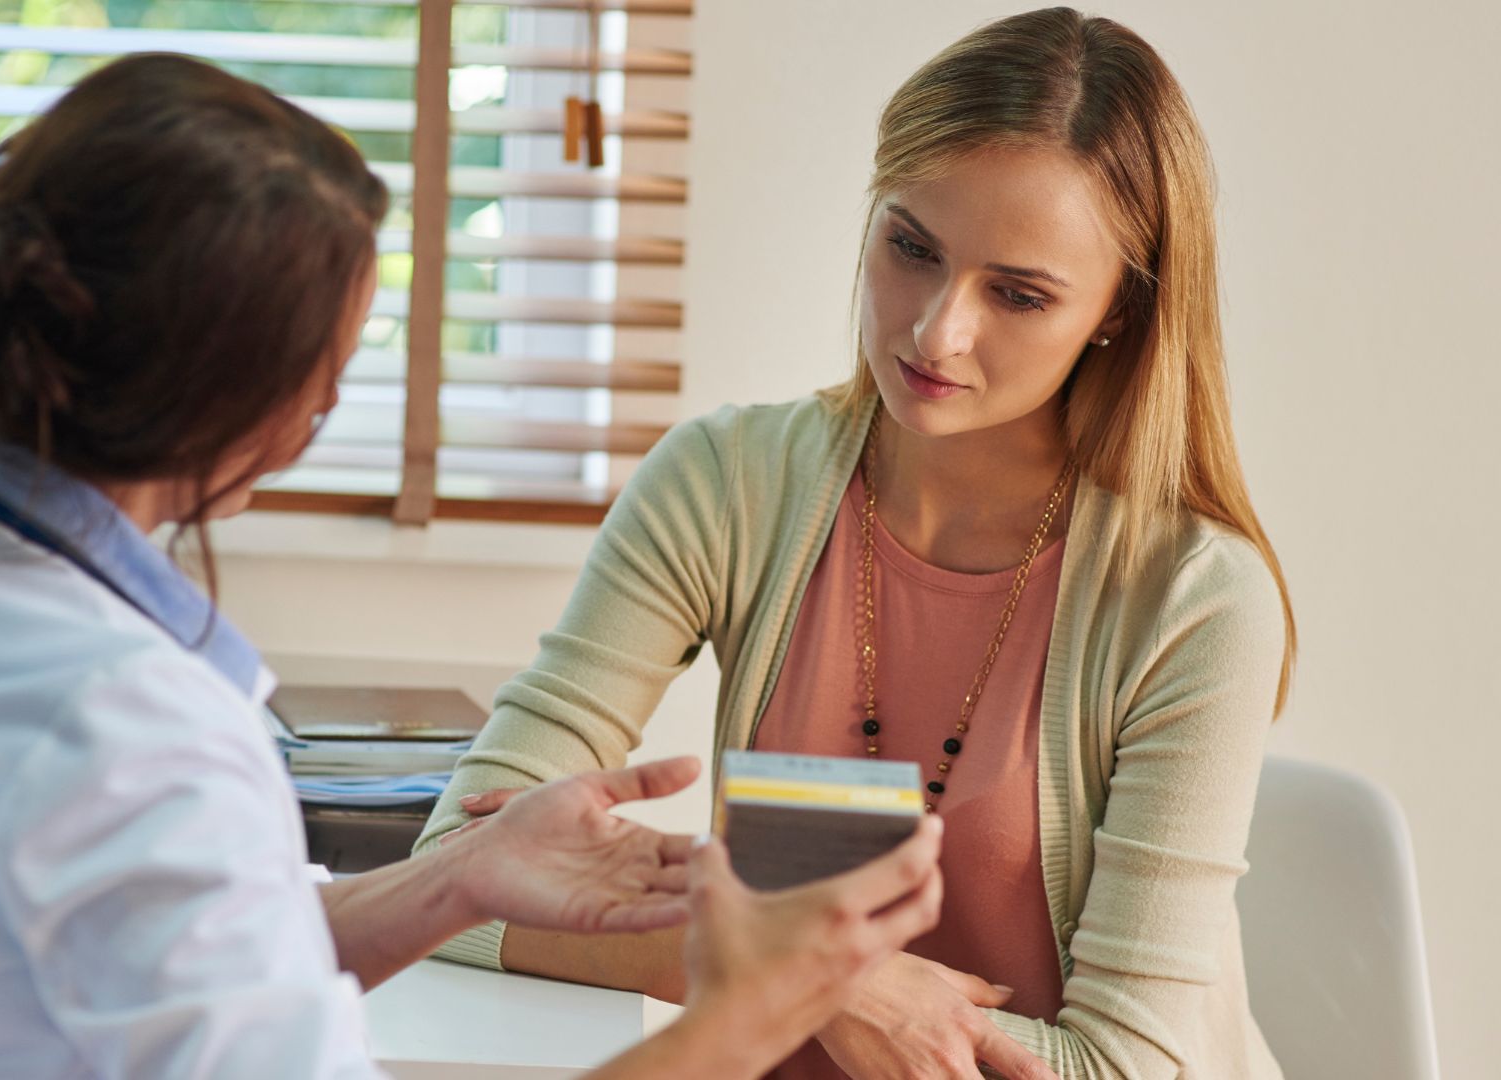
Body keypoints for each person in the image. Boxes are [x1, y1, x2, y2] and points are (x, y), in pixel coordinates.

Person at [0, 53, 948, 1080]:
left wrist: (458, 880)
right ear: (239, 405)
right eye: (331, 375)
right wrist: (756, 1010)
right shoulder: (127, 726)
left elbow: (148, 949)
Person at [416, 8, 1293, 1079]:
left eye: (1017, 294)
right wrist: (819, 976)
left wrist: (748, 958)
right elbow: (448, 886)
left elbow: (1119, 1068)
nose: (936, 332)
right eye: (911, 247)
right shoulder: (726, 485)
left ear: (1119, 311)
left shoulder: (1192, 599)